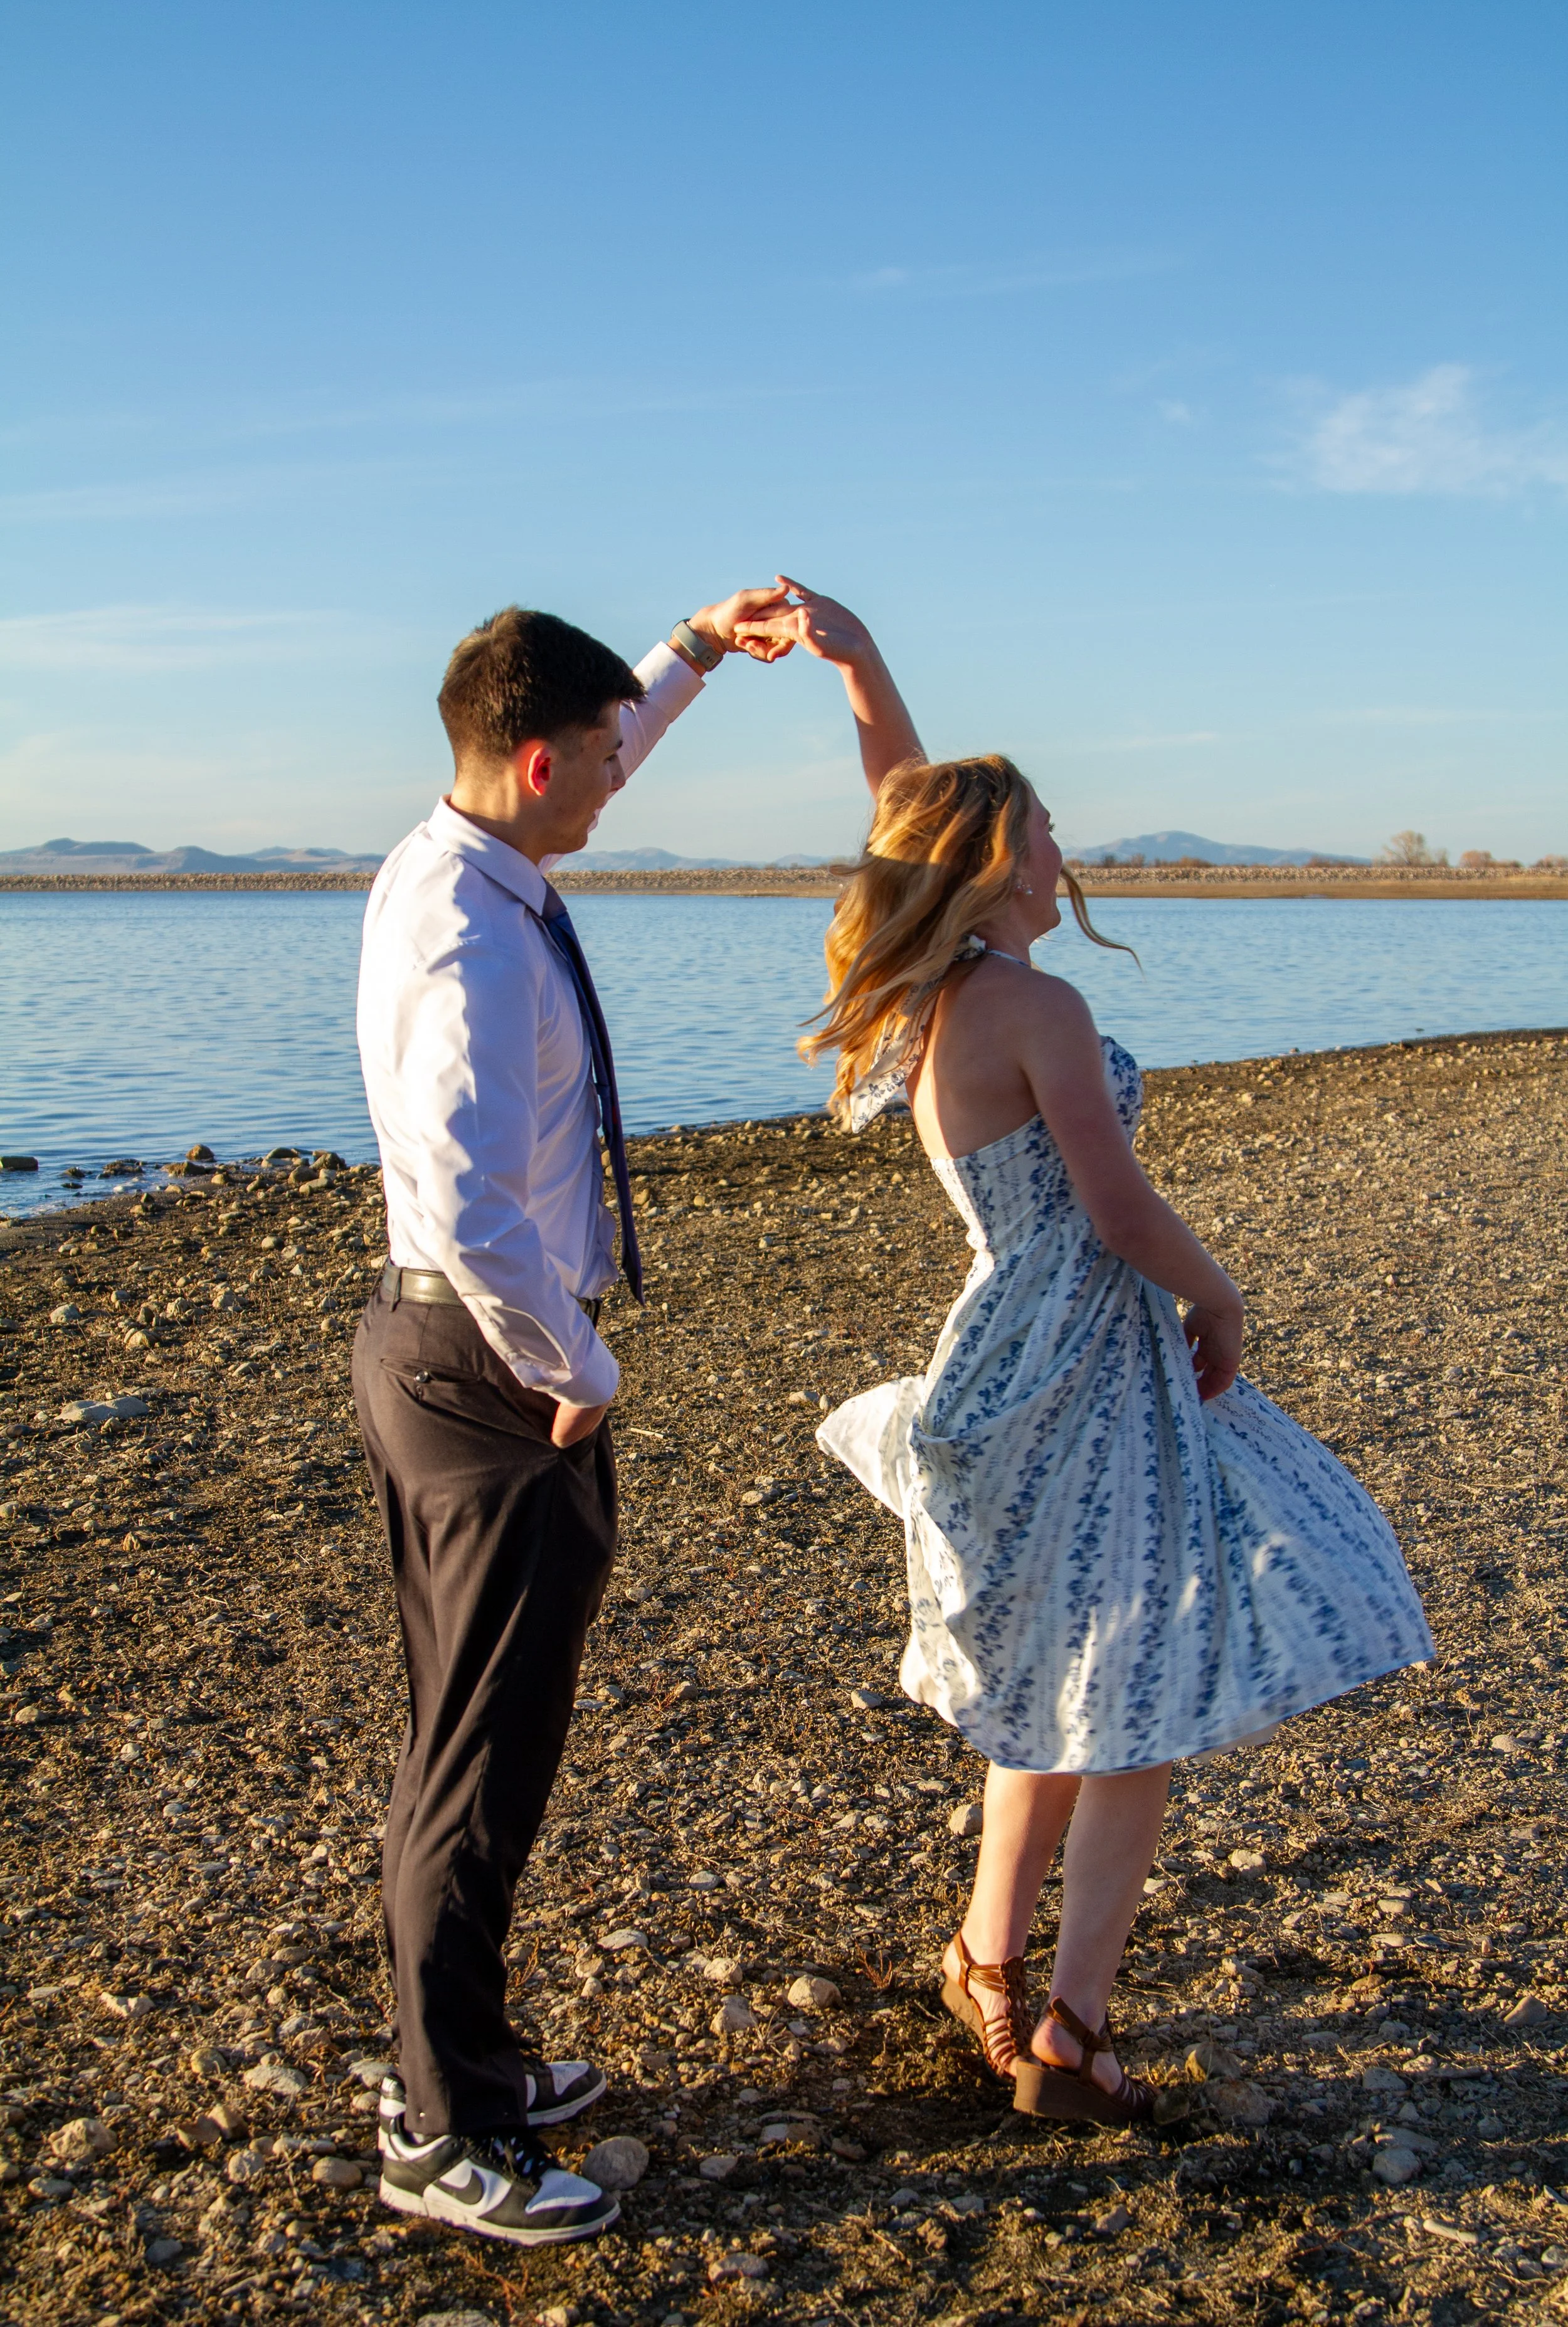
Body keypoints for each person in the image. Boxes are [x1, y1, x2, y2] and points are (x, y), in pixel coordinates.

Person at [740, 586, 1433, 2127]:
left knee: (1061, 1677)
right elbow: (1116, 1210)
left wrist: (861, 667)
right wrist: (1221, 1297)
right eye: (1045, 830)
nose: (1066, 851)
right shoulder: (1034, 1006)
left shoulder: (922, 998)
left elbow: (904, 817)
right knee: (1138, 1696)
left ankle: (984, 1966)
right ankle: (1066, 2026)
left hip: (1003, 1353)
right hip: (1089, 1362)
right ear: (995, 860)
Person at [353, 588, 798, 2245]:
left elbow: (607, 735)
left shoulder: (469, 858)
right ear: (538, 762)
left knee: (462, 1737)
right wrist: (576, 1369)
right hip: (488, 1366)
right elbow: (473, 1207)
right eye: (605, 756)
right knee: (479, 1757)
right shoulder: (469, 936)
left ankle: (449, 2057)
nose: (623, 776)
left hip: (448, 1347)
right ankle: (441, 2132)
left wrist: (691, 651)